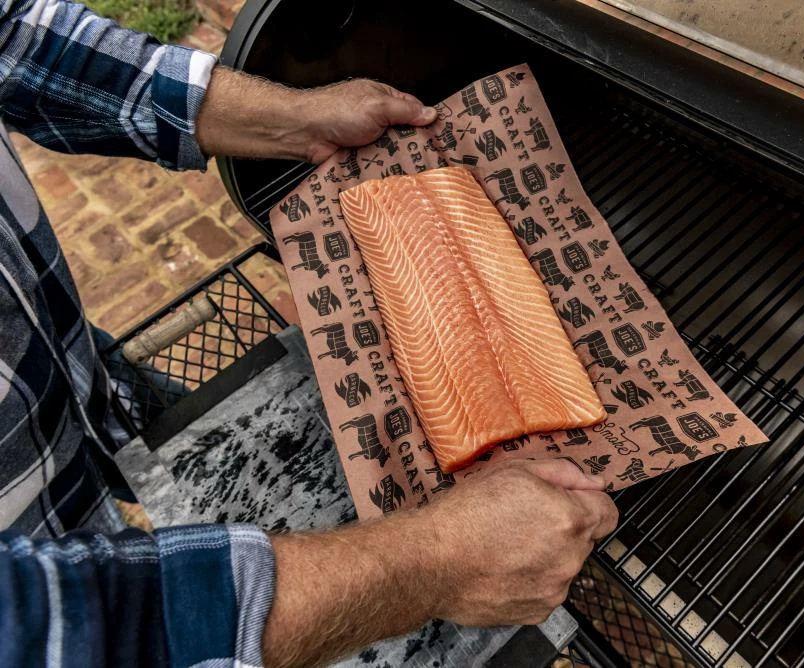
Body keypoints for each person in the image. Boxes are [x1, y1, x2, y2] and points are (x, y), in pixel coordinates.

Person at [0, 1, 619, 666]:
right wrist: (436, 561)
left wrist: (294, 118)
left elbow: (18, 41)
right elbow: (52, 634)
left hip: (74, 380)